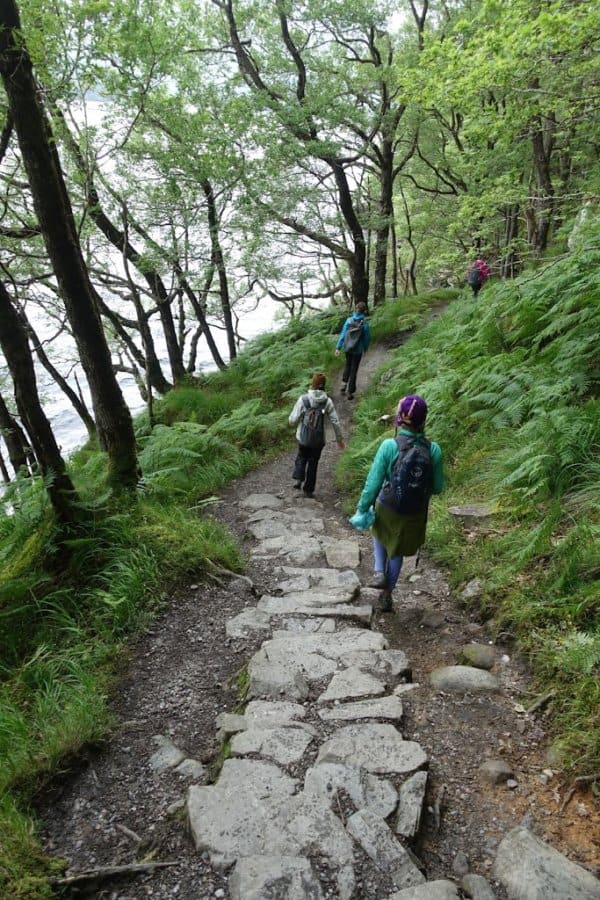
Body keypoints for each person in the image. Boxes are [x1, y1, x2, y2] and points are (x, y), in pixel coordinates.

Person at [352, 395, 444, 611]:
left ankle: (378, 571)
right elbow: (438, 487)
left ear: (400, 418)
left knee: (380, 533)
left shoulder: (389, 446)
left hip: (388, 506)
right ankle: (387, 595)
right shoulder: (434, 450)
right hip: (414, 513)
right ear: (424, 420)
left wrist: (363, 507)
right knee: (398, 551)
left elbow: (373, 482)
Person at [288, 373, 345, 498]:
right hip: (318, 440)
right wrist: (339, 439)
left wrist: (291, 421)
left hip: (303, 437)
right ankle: (308, 490)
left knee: (302, 456)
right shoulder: (327, 402)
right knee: (313, 463)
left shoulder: (303, 399)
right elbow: (335, 421)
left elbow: (293, 419)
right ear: (324, 386)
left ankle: (298, 479)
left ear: (312, 384)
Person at [335, 301, 371, 400]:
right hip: (357, 350)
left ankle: (343, 385)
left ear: (356, 309)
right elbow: (366, 338)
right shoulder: (364, 324)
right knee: (354, 369)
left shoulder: (349, 320)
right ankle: (350, 392)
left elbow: (343, 334)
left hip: (347, 348)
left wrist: (338, 347)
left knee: (348, 365)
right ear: (364, 311)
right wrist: (365, 348)